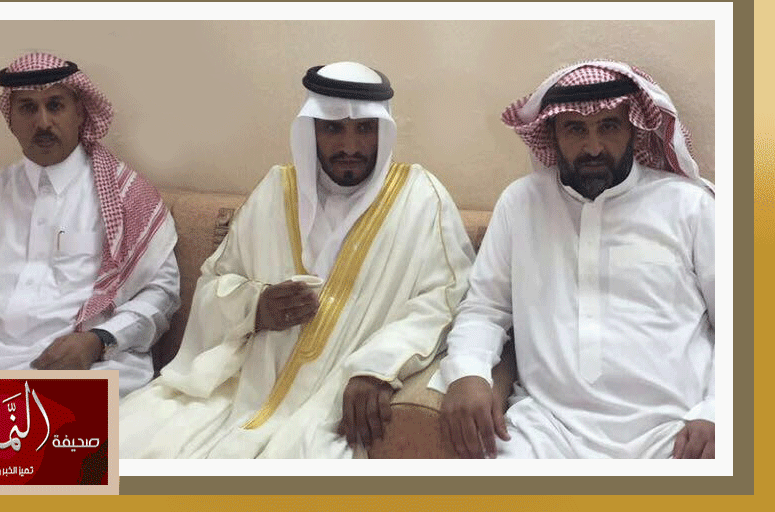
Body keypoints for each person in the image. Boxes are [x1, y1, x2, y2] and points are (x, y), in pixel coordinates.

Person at [119, 61, 475, 458]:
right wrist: (255, 307)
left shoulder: (420, 198)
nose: (350, 146)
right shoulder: (276, 190)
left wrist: (378, 366)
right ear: (311, 130)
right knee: (115, 441)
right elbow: (213, 284)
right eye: (333, 128)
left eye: (364, 128)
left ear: (383, 130)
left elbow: (447, 299)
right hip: (235, 390)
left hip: (329, 404)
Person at [436, 60, 715, 459]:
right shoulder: (522, 203)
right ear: (551, 133)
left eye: (609, 126)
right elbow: (485, 307)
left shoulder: (688, 206)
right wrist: (467, 372)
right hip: (546, 428)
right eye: (575, 129)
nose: (593, 147)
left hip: (674, 430)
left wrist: (717, 410)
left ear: (634, 129)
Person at [0, 52, 180, 396]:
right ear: (10, 119)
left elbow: (161, 293)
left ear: (79, 112)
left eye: (55, 105)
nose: (43, 122)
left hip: (81, 366)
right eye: (27, 108)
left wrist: (99, 340)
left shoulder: (126, 195)